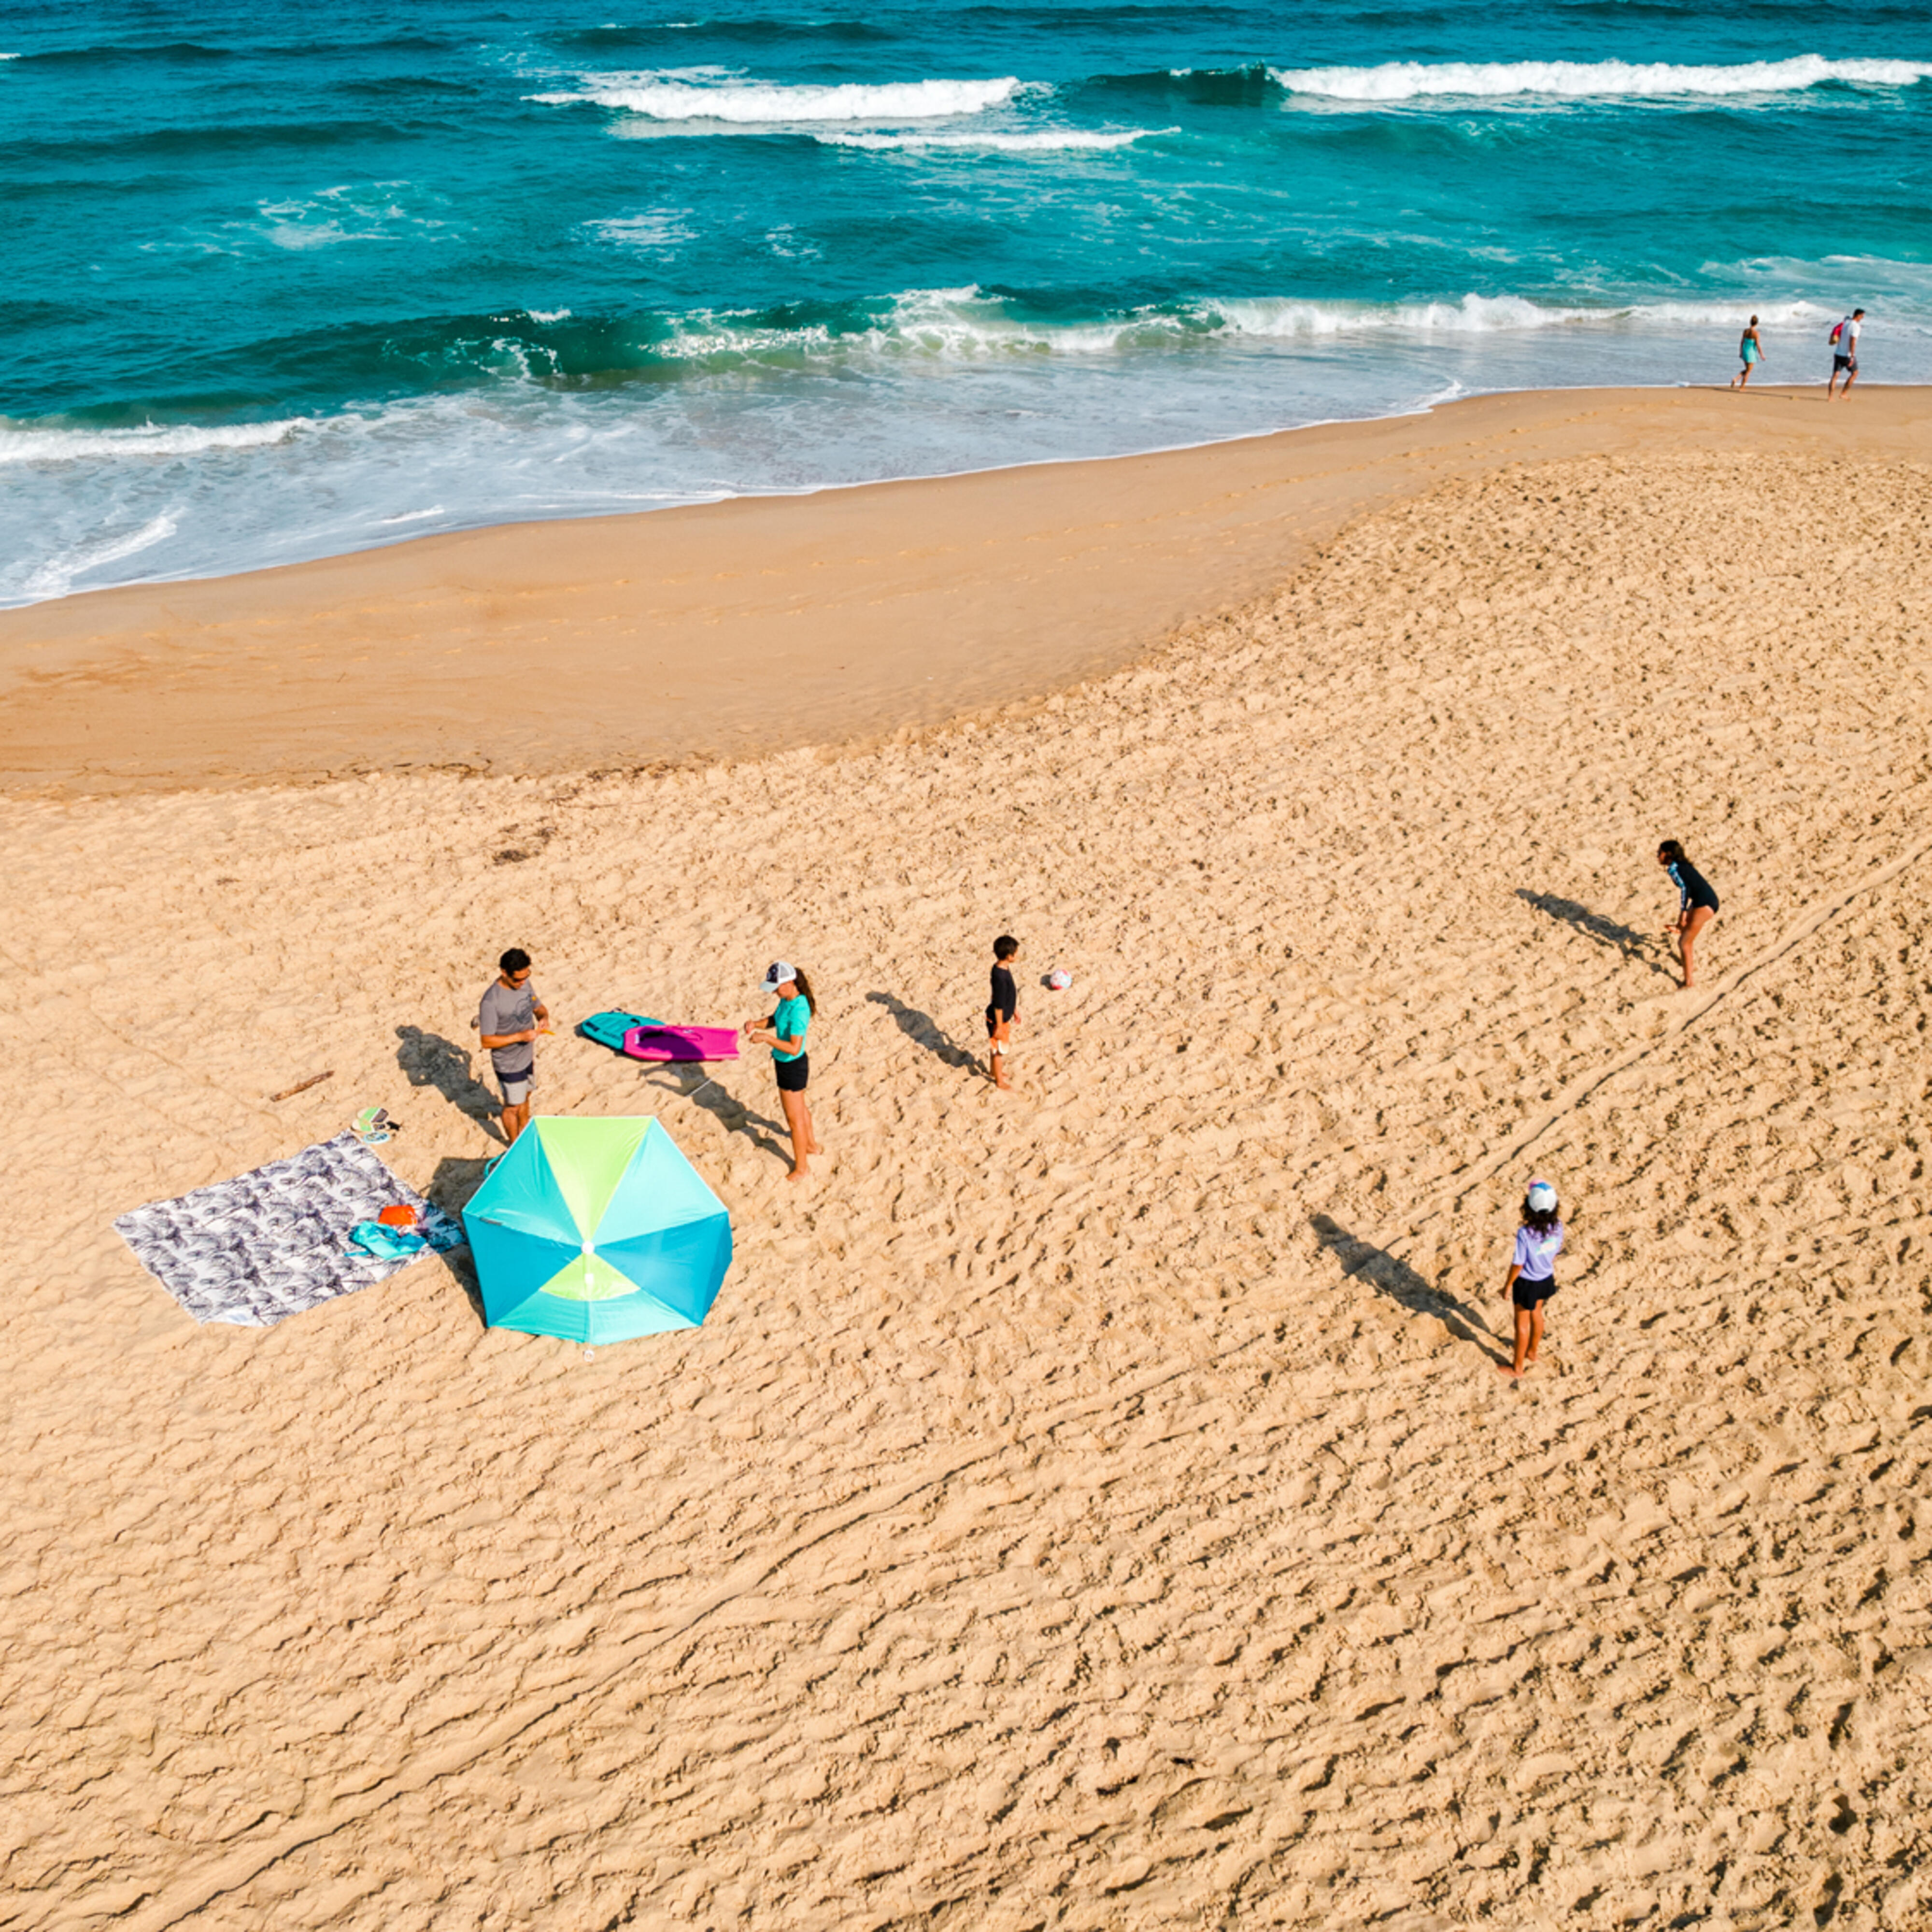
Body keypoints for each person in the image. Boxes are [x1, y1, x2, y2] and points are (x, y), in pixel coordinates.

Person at [745, 961, 821, 1182]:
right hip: (785, 1064)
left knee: (794, 1120)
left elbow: (795, 1047)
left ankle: (801, 1168)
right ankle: (811, 1146)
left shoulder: (799, 1009)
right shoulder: (787, 1001)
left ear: (790, 983)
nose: (775, 992)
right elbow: (775, 1019)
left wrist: (767, 1039)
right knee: (801, 1109)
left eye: (777, 987)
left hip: (792, 1066)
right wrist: (756, 1025)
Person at [477, 947, 548, 1145]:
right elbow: (487, 1041)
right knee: (512, 1107)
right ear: (504, 972)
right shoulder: (491, 1002)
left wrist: (544, 1017)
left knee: (526, 1096)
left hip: (526, 1056)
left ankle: (524, 1134)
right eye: (518, 979)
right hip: (508, 1062)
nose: (523, 982)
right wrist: (520, 1036)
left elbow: (537, 1006)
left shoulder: (524, 984)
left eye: (526, 977)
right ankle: (515, 1146)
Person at [1497, 1179, 1564, 1380]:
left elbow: (1518, 1264)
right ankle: (1532, 1352)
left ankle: (1517, 1368)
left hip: (1527, 1282)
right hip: (1546, 1277)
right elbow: (1555, 1250)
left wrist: (1507, 1285)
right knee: (1538, 1314)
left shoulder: (1525, 1233)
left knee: (1522, 1325)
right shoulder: (1558, 1226)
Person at [1657, 839, 1720, 988]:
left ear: (1669, 854)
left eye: (1660, 853)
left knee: (1684, 943)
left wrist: (1683, 912)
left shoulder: (1674, 868)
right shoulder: (1683, 866)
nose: (1658, 856)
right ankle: (1686, 959)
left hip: (1704, 904)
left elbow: (1686, 889)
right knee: (1685, 931)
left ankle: (1689, 982)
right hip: (1706, 899)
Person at [987, 934, 1020, 1091]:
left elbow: (1009, 995)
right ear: (1009, 956)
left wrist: (1014, 1010)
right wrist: (999, 1026)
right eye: (1016, 953)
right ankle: (999, 1081)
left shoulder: (1002, 968)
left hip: (1002, 1016)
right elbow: (999, 1004)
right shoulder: (1000, 977)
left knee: (994, 1047)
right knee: (999, 1051)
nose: (1017, 955)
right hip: (998, 1020)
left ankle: (994, 1072)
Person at [1829, 308, 1864, 399]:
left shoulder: (1845, 323)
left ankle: (1830, 397)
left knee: (1835, 376)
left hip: (1838, 353)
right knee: (1855, 373)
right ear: (1858, 316)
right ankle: (1843, 393)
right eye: (1862, 316)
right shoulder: (1856, 326)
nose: (1862, 318)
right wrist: (1852, 356)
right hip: (1847, 355)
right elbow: (1853, 341)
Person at [1731, 315, 1763, 389]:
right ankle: (1742, 386)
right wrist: (1762, 355)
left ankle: (1736, 379)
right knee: (1748, 372)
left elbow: (1742, 342)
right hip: (1751, 354)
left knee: (1747, 370)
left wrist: (1741, 352)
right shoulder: (1756, 333)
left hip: (1745, 351)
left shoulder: (1745, 331)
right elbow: (1758, 345)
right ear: (1757, 324)